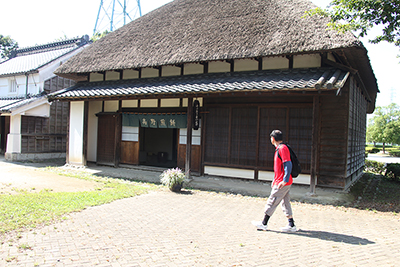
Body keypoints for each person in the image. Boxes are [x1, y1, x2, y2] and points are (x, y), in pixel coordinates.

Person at [252, 129, 298, 232]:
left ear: (273, 139)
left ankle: (264, 223)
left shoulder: (282, 148)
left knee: (272, 200)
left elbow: (288, 164)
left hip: (282, 182)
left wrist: (284, 180)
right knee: (285, 202)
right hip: (282, 181)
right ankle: (291, 224)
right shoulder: (281, 148)